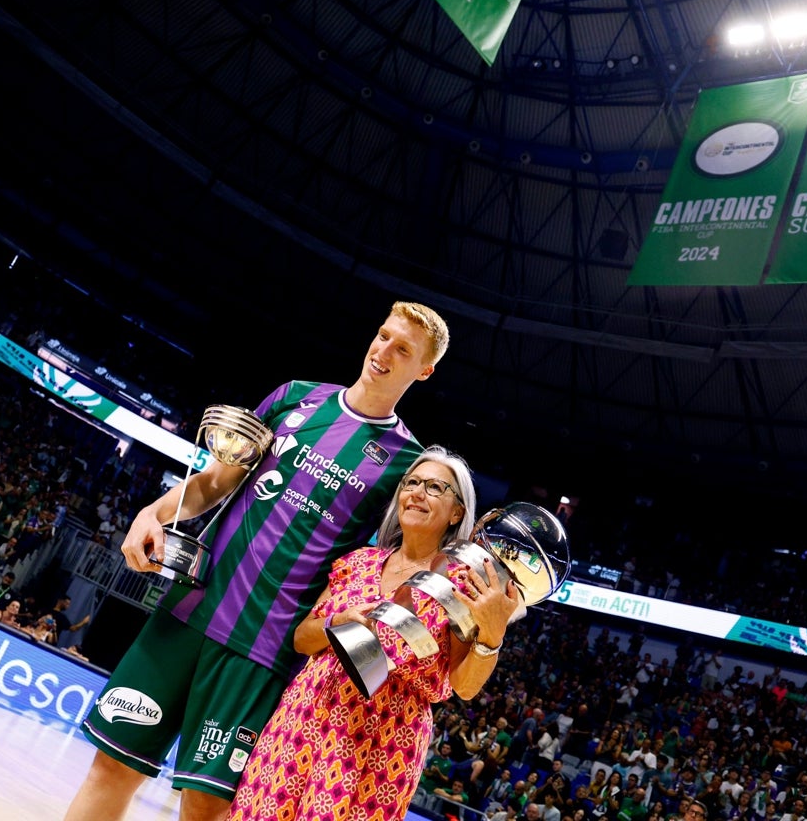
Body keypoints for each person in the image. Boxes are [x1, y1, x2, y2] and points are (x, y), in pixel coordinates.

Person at [64, 301, 451, 821]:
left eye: (402, 349)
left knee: (204, 808)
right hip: (186, 614)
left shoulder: (405, 464)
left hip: (261, 652)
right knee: (111, 769)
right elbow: (217, 481)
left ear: (423, 370)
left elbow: (393, 560)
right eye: (382, 336)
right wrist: (154, 513)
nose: (382, 351)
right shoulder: (295, 398)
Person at [228, 445, 521, 820]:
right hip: (304, 715)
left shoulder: (463, 583)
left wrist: (492, 637)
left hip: (383, 741)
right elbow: (303, 638)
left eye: (434, 487)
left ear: (457, 512)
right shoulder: (357, 562)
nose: (416, 492)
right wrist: (339, 621)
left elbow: (463, 686)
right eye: (411, 482)